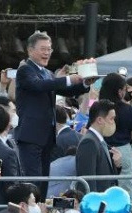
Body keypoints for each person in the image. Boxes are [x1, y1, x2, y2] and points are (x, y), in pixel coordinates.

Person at [15, 31, 90, 199]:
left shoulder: (48, 73)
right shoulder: (25, 70)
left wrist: (85, 82)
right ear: (30, 50)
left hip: (47, 137)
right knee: (33, 182)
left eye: (49, 49)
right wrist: (69, 79)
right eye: (43, 49)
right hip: (30, 136)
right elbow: (39, 86)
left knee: (43, 183)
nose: (47, 53)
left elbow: (65, 89)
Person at [100, 73, 132, 195]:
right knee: (124, 190)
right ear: (119, 91)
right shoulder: (128, 109)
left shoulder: (98, 108)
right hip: (123, 148)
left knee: (103, 186)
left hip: (102, 148)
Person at [76, 99, 120, 192]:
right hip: (97, 201)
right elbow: (88, 180)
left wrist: (117, 164)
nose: (113, 122)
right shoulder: (89, 142)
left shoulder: (100, 140)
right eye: (111, 119)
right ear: (100, 120)